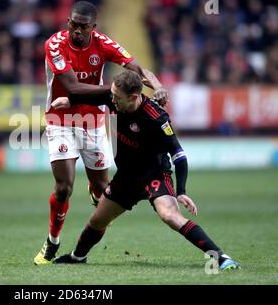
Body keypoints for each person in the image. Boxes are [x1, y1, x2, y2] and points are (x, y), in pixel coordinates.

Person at [50, 70, 240, 271]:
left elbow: (179, 155)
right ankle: (77, 257)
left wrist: (182, 191)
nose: (112, 100)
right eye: (112, 94)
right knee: (98, 220)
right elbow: (90, 94)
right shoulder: (112, 97)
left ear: (133, 97)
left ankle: (221, 257)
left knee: (170, 216)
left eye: (116, 97)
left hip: (154, 174)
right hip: (126, 176)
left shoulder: (156, 117)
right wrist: (69, 100)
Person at [34, 1, 168, 265]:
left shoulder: (103, 44)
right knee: (63, 188)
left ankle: (83, 248)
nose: (77, 31)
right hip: (61, 118)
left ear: (93, 28)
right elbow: (73, 88)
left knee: (102, 189)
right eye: (73, 24)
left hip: (92, 121)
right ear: (68, 23)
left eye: (83, 26)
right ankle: (52, 242)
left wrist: (157, 84)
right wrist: (117, 90)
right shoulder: (55, 45)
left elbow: (137, 69)